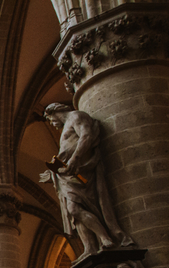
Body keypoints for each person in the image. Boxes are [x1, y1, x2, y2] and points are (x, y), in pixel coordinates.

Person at [40, 103, 133, 258]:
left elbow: (86, 136)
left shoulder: (76, 116)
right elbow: (67, 152)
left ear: (55, 111)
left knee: (75, 208)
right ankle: (90, 247)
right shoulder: (66, 126)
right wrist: (53, 174)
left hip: (82, 170)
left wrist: (75, 159)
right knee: (74, 213)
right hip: (69, 174)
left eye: (50, 119)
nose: (52, 123)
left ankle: (106, 238)